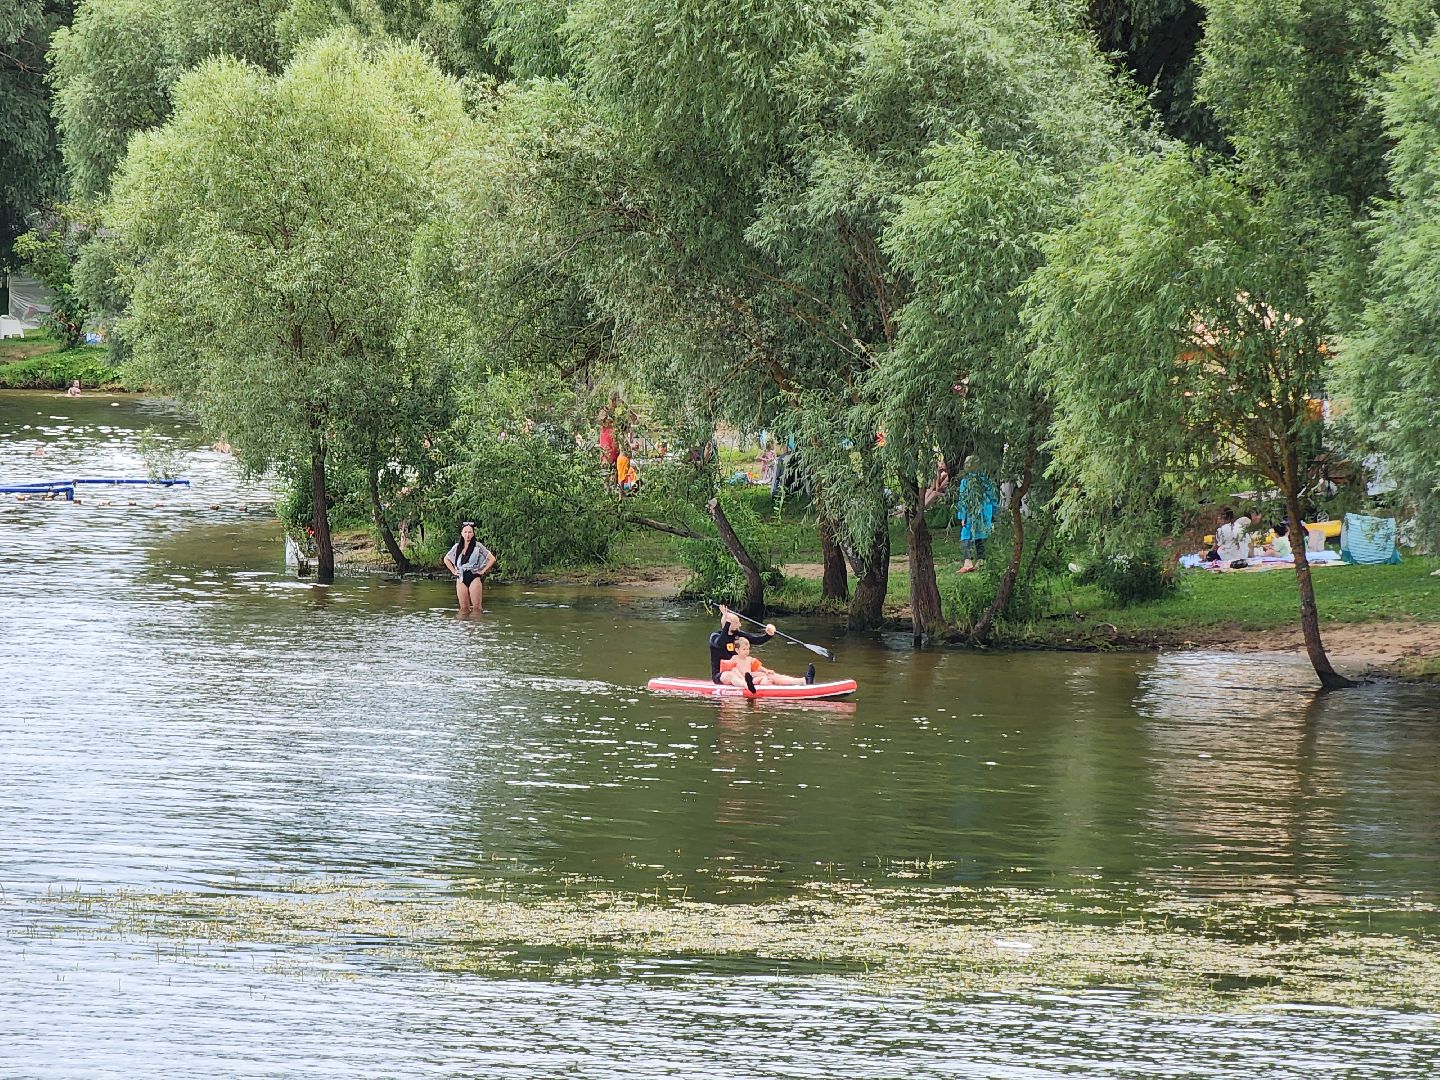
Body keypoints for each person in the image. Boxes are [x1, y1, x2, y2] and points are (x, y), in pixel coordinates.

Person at [718, 636, 814, 694]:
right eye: (744, 649)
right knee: (735, 670)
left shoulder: (750, 659)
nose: (747, 651)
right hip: (741, 679)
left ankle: (803, 680)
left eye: (748, 649)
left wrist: (766, 670)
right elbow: (731, 670)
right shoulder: (734, 658)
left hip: (750, 678)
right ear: (737, 650)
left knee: (766, 674)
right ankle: (754, 684)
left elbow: (758, 667)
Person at [710, 604, 777, 683]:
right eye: (736, 622)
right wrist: (727, 623)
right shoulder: (715, 636)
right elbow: (720, 643)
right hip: (722, 675)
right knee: (732, 675)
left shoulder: (737, 634)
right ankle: (747, 684)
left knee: (765, 675)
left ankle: (754, 682)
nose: (740, 625)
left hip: (740, 673)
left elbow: (756, 640)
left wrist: (769, 635)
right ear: (728, 624)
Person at [955, 456, 998, 573]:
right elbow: (993, 496)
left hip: (970, 513)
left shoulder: (965, 481)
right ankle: (981, 561)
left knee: (966, 536)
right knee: (981, 535)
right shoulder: (985, 480)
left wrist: (962, 516)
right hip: (985, 511)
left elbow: (963, 500)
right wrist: (994, 511)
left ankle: (968, 562)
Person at [444, 521, 497, 614]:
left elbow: (492, 559)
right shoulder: (457, 547)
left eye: (469, 532)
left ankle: (476, 626)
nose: (467, 535)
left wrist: (483, 571)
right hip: (461, 577)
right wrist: (453, 571)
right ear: (462, 533)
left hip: (474, 576)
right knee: (463, 608)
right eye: (465, 532)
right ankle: (464, 627)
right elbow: (446, 559)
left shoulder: (478, 546)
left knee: (477, 608)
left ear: (473, 534)